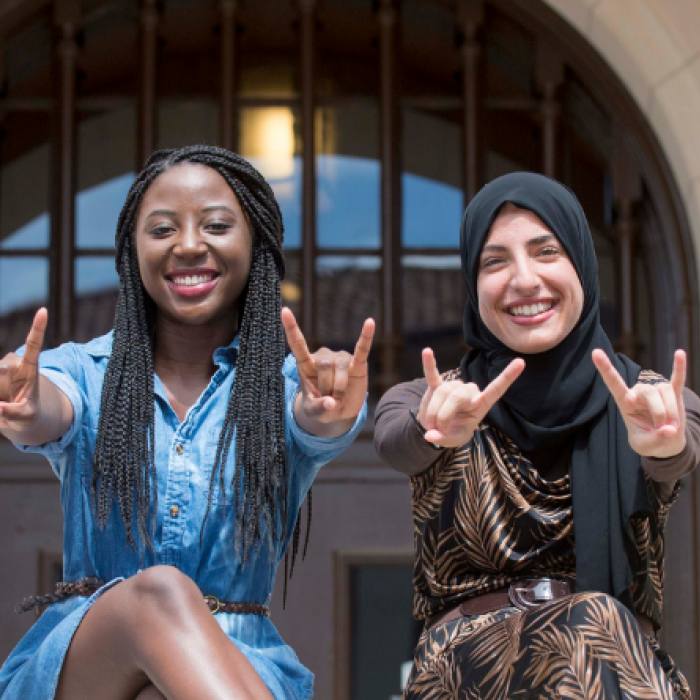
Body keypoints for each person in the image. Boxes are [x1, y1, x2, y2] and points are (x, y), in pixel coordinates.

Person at [0, 145, 373, 700]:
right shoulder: (84, 370)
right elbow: (48, 412)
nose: (190, 245)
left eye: (217, 225)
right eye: (163, 229)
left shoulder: (287, 385)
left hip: (240, 660)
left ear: (257, 245)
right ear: (132, 250)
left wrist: (332, 413)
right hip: (89, 663)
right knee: (159, 593)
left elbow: (315, 421)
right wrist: (27, 409)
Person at [374, 172, 695, 699]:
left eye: (546, 252)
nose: (524, 280)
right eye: (495, 261)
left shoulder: (650, 403)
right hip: (467, 673)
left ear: (582, 267)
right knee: (591, 620)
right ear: (472, 284)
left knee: (593, 627)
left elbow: (680, 449)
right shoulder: (433, 400)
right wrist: (431, 433)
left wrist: (663, 447)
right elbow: (392, 439)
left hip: (608, 669)